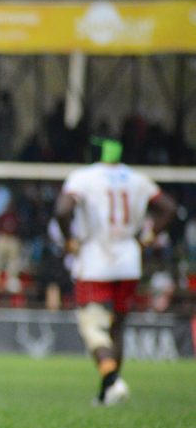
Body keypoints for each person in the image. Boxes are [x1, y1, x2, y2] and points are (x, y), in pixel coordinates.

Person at [54, 137, 176, 406]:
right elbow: (169, 208)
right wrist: (149, 235)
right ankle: (108, 391)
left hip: (95, 258)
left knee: (91, 323)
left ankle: (112, 381)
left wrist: (69, 240)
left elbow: (63, 210)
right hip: (129, 258)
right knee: (117, 325)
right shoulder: (138, 178)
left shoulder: (83, 177)